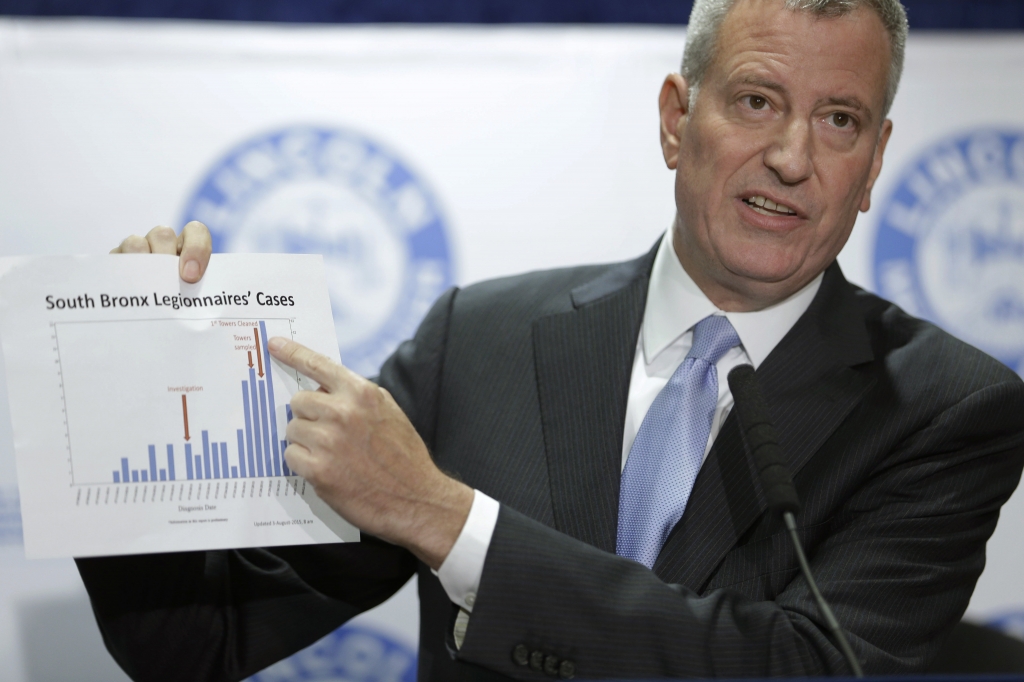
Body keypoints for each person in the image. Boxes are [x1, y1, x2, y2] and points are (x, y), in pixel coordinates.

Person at [78, 0, 1024, 679]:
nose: (791, 157)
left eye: (839, 119)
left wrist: (450, 523)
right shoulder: (478, 341)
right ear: (673, 118)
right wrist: (132, 382)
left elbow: (806, 667)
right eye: (756, 101)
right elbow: (194, 644)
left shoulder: (947, 407)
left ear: (874, 164)